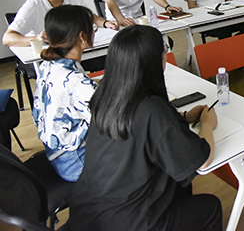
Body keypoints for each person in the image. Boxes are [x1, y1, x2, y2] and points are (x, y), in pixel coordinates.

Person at [69, 25, 222, 231]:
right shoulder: (152, 109)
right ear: (155, 61)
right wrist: (207, 124)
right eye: (164, 50)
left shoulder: (106, 95)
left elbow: (136, 126)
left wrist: (183, 117)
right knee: (211, 207)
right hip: (131, 222)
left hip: (89, 214)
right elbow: (202, 162)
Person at [32, 5, 96, 181]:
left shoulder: (47, 65)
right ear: (82, 37)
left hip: (56, 153)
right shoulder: (76, 82)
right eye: (92, 28)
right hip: (76, 161)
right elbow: (109, 121)